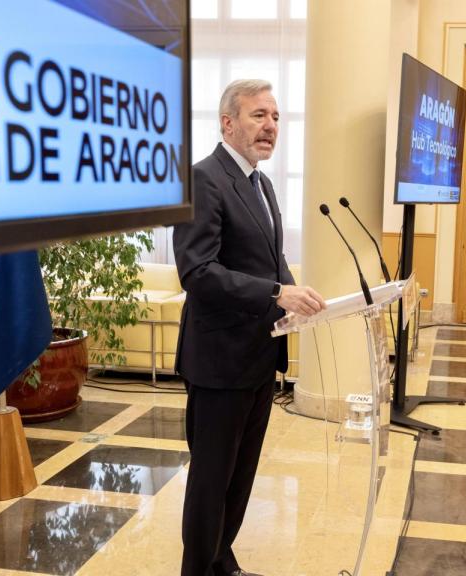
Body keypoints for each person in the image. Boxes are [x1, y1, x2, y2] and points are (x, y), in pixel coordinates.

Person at [173, 79, 326, 576]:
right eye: (259, 115)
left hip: (259, 358)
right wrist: (275, 293)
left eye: (276, 117)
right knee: (211, 481)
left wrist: (294, 292)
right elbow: (198, 272)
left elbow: (271, 258)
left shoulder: (261, 183)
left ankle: (222, 561)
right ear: (228, 123)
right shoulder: (202, 180)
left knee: (240, 478)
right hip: (219, 363)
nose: (271, 126)